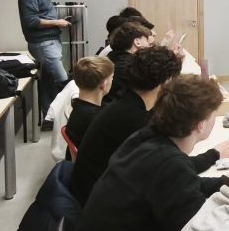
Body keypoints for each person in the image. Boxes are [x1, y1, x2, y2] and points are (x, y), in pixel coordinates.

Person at [75, 74, 229, 231]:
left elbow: (184, 184)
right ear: (201, 125)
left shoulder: (146, 139)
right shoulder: (169, 165)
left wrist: (226, 183)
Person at [71, 46, 183, 204]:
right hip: (103, 202)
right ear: (166, 82)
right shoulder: (134, 120)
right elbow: (168, 166)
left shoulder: (126, 103)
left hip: (94, 191)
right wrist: (211, 155)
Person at [17, 0, 70, 114]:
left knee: (49, 83)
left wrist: (57, 22)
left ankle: (49, 117)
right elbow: (31, 21)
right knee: (63, 82)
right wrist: (56, 22)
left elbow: (41, 16)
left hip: (49, 42)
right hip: (43, 44)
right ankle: (64, 117)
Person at [64, 56, 115, 152]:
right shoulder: (98, 120)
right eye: (112, 77)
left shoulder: (77, 108)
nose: (112, 80)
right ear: (104, 84)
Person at [105, 21, 154, 102]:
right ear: (137, 42)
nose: (150, 47)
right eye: (148, 42)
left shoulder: (111, 59)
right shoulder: (131, 67)